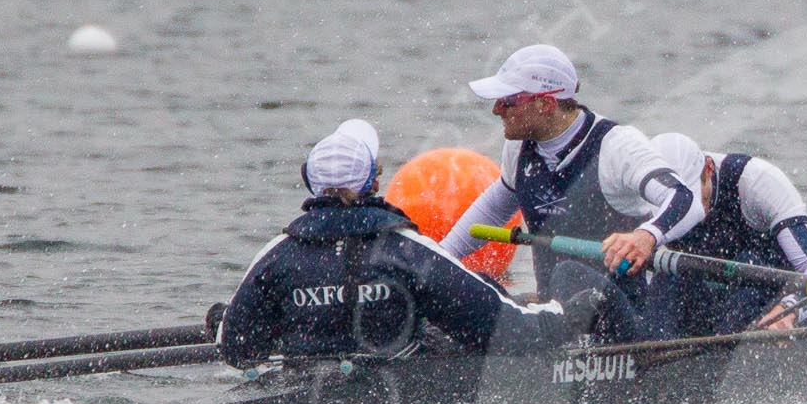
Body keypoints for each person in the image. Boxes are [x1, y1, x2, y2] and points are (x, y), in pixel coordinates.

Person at [217, 120, 577, 367]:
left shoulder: (278, 256)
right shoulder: (406, 251)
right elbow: (505, 331)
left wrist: (219, 319)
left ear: (310, 183)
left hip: (307, 393)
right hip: (399, 389)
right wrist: (565, 313)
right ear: (374, 183)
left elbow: (235, 349)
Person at [438, 45, 703, 309]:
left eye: (508, 101)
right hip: (553, 315)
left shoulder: (617, 146)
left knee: (567, 274)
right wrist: (436, 259)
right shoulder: (518, 146)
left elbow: (681, 195)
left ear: (545, 104)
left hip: (615, 317)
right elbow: (493, 209)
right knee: (468, 285)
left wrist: (645, 237)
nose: (497, 110)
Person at [643, 132, 807, 337]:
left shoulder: (758, 182)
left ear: (708, 169)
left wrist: (789, 310)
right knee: (667, 271)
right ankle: (649, 354)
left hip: (770, 304)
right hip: (709, 304)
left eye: (692, 200)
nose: (689, 212)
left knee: (748, 262)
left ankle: (720, 351)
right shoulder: (638, 192)